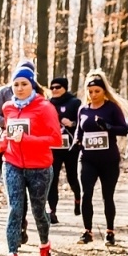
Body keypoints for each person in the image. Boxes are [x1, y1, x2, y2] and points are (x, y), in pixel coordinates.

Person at [0, 70, 63, 256]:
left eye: (24, 84)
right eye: (16, 84)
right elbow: (9, 133)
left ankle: (44, 245)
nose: (20, 88)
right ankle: (12, 254)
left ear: (32, 84)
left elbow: (56, 140)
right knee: (15, 209)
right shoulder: (8, 107)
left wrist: (26, 140)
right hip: (12, 163)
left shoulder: (45, 107)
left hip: (39, 167)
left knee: (38, 211)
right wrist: (2, 143)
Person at [75, 71, 128, 246]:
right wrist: (76, 140)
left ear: (104, 91)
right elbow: (79, 130)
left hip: (108, 159)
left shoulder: (112, 108)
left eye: (97, 91)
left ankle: (110, 231)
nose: (93, 95)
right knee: (86, 194)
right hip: (87, 158)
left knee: (108, 196)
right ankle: (87, 231)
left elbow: (123, 129)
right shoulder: (83, 109)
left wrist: (108, 126)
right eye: (90, 92)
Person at [46, 77, 82, 224]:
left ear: (65, 88)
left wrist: (72, 123)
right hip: (53, 147)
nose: (54, 90)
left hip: (71, 148)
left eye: (58, 87)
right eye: (52, 87)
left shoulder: (75, 103)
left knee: (72, 177)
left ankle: (78, 198)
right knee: (52, 179)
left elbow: (83, 122)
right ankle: (52, 211)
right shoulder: (47, 104)